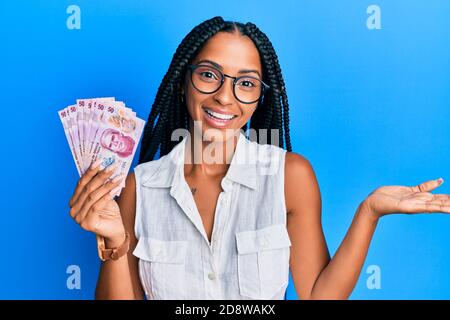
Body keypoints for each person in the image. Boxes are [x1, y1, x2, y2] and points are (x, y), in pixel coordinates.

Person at [67, 16, 450, 300]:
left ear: (260, 98)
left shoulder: (290, 177)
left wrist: (369, 212)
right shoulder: (142, 185)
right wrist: (114, 243)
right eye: (208, 75)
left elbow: (319, 294)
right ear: (184, 81)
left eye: (246, 83)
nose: (224, 97)